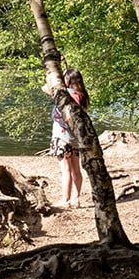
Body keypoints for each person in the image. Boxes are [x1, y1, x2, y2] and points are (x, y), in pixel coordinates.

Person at [45, 68, 89, 208]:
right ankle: (76, 199)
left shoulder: (64, 94)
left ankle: (66, 200)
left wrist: (55, 76)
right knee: (76, 170)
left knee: (65, 170)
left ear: (67, 80)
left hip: (61, 137)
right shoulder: (82, 95)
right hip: (75, 139)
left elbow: (45, 87)